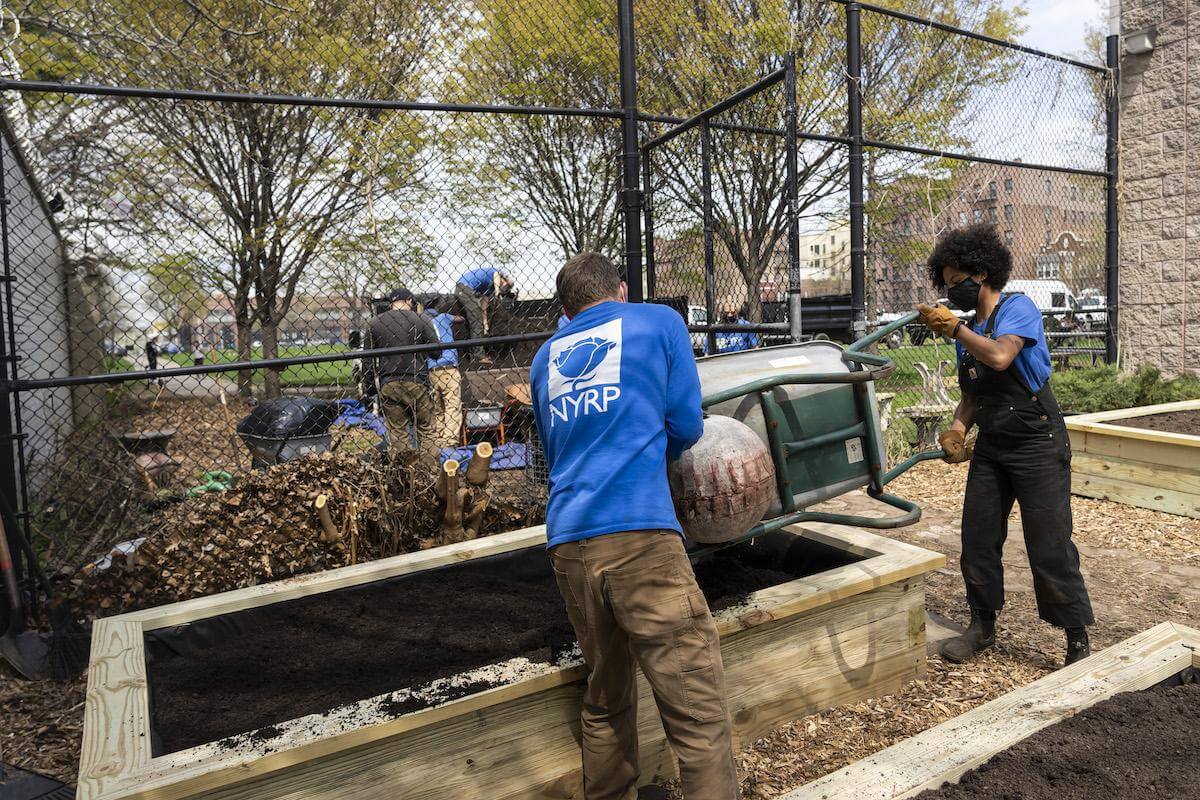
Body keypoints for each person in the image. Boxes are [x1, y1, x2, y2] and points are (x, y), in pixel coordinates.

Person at [529, 252, 737, 799]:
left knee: (606, 699)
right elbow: (686, 423)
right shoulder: (660, 321)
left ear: (567, 312)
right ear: (621, 290)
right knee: (695, 705)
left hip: (569, 544)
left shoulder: (546, 356)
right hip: (640, 538)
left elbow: (557, 451)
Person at [916, 224, 1093, 668]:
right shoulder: (970, 330)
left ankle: (1076, 637)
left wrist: (954, 330)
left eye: (958, 282)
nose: (953, 291)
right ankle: (981, 625)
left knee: (1049, 542)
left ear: (983, 273)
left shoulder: (1018, 308)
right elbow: (972, 395)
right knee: (977, 537)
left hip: (1037, 441)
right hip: (993, 445)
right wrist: (957, 431)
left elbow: (999, 357)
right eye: (948, 284)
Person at [366, 288, 441, 453]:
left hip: (389, 383)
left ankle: (404, 474)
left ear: (391, 303)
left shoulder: (374, 323)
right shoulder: (422, 319)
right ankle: (431, 473)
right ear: (410, 301)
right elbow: (437, 352)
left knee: (398, 432)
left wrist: (371, 388)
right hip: (417, 381)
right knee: (426, 429)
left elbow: (368, 361)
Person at [425, 296, 464, 447]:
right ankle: (449, 441)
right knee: (452, 405)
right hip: (448, 369)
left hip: (431, 370)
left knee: (437, 407)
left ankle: (438, 437)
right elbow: (460, 319)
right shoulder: (444, 317)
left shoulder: (423, 324)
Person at [455, 267, 513, 340]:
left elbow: (483, 308)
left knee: (475, 313)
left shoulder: (490, 289)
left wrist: (485, 325)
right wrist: (497, 292)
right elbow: (496, 275)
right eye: (506, 285)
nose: (504, 287)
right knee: (475, 316)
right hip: (464, 286)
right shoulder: (494, 273)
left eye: (507, 287)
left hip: (467, 291)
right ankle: (478, 348)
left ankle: (473, 341)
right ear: (503, 279)